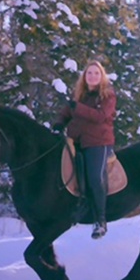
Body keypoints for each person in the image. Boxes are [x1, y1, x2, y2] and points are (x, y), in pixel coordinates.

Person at [53, 60, 117, 239]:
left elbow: (100, 116)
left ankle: (100, 220)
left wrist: (77, 108)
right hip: (76, 141)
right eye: (89, 73)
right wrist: (59, 123)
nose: (92, 76)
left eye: (96, 73)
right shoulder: (79, 94)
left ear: (101, 76)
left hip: (99, 142)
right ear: (84, 76)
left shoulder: (108, 95)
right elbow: (66, 112)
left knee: (95, 177)